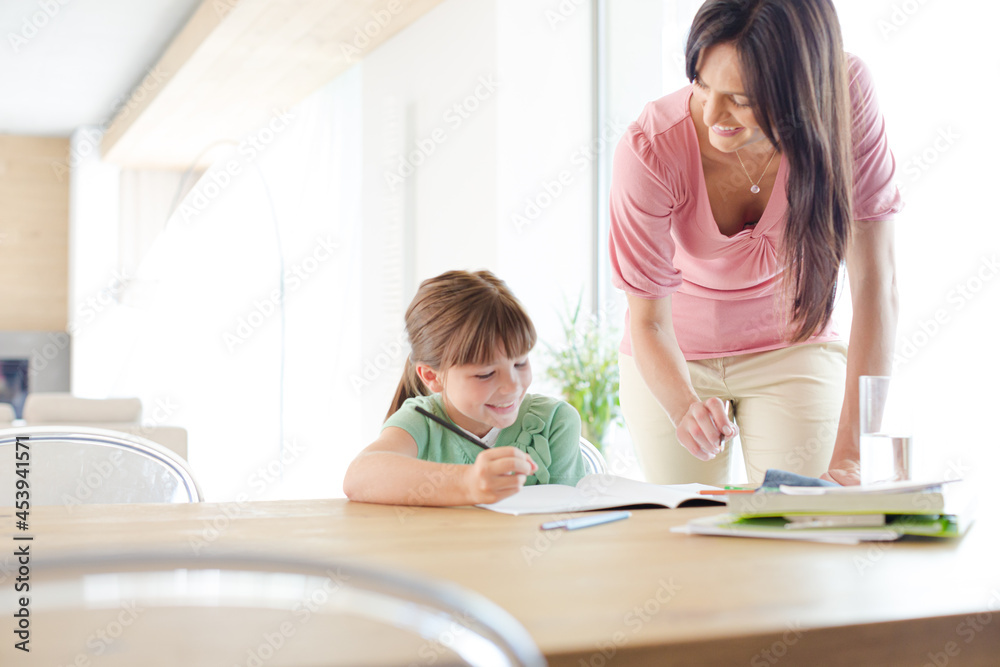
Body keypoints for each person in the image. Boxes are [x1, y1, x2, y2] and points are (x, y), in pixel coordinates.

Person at [608, 0, 901, 486]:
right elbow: (648, 320)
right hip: (672, 349)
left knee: (801, 518)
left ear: (801, 90)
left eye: (740, 99)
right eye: (702, 83)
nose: (711, 114)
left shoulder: (844, 99)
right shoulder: (650, 147)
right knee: (686, 524)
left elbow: (876, 283)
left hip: (793, 342)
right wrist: (684, 408)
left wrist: (851, 453)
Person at [343, 270, 586, 505]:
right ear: (432, 376)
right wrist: (468, 483)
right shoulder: (421, 420)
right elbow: (358, 477)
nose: (512, 385)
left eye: (520, 363)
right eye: (486, 374)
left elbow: (569, 517)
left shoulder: (555, 421)